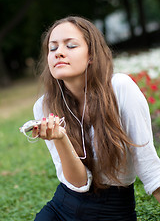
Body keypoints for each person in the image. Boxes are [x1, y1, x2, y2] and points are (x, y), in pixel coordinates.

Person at [32, 16, 160, 221]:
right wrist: (61, 138)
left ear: (91, 55)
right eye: (52, 48)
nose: (59, 53)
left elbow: (150, 168)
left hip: (113, 209)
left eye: (71, 45)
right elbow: (78, 183)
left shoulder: (119, 89)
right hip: (62, 206)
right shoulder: (44, 105)